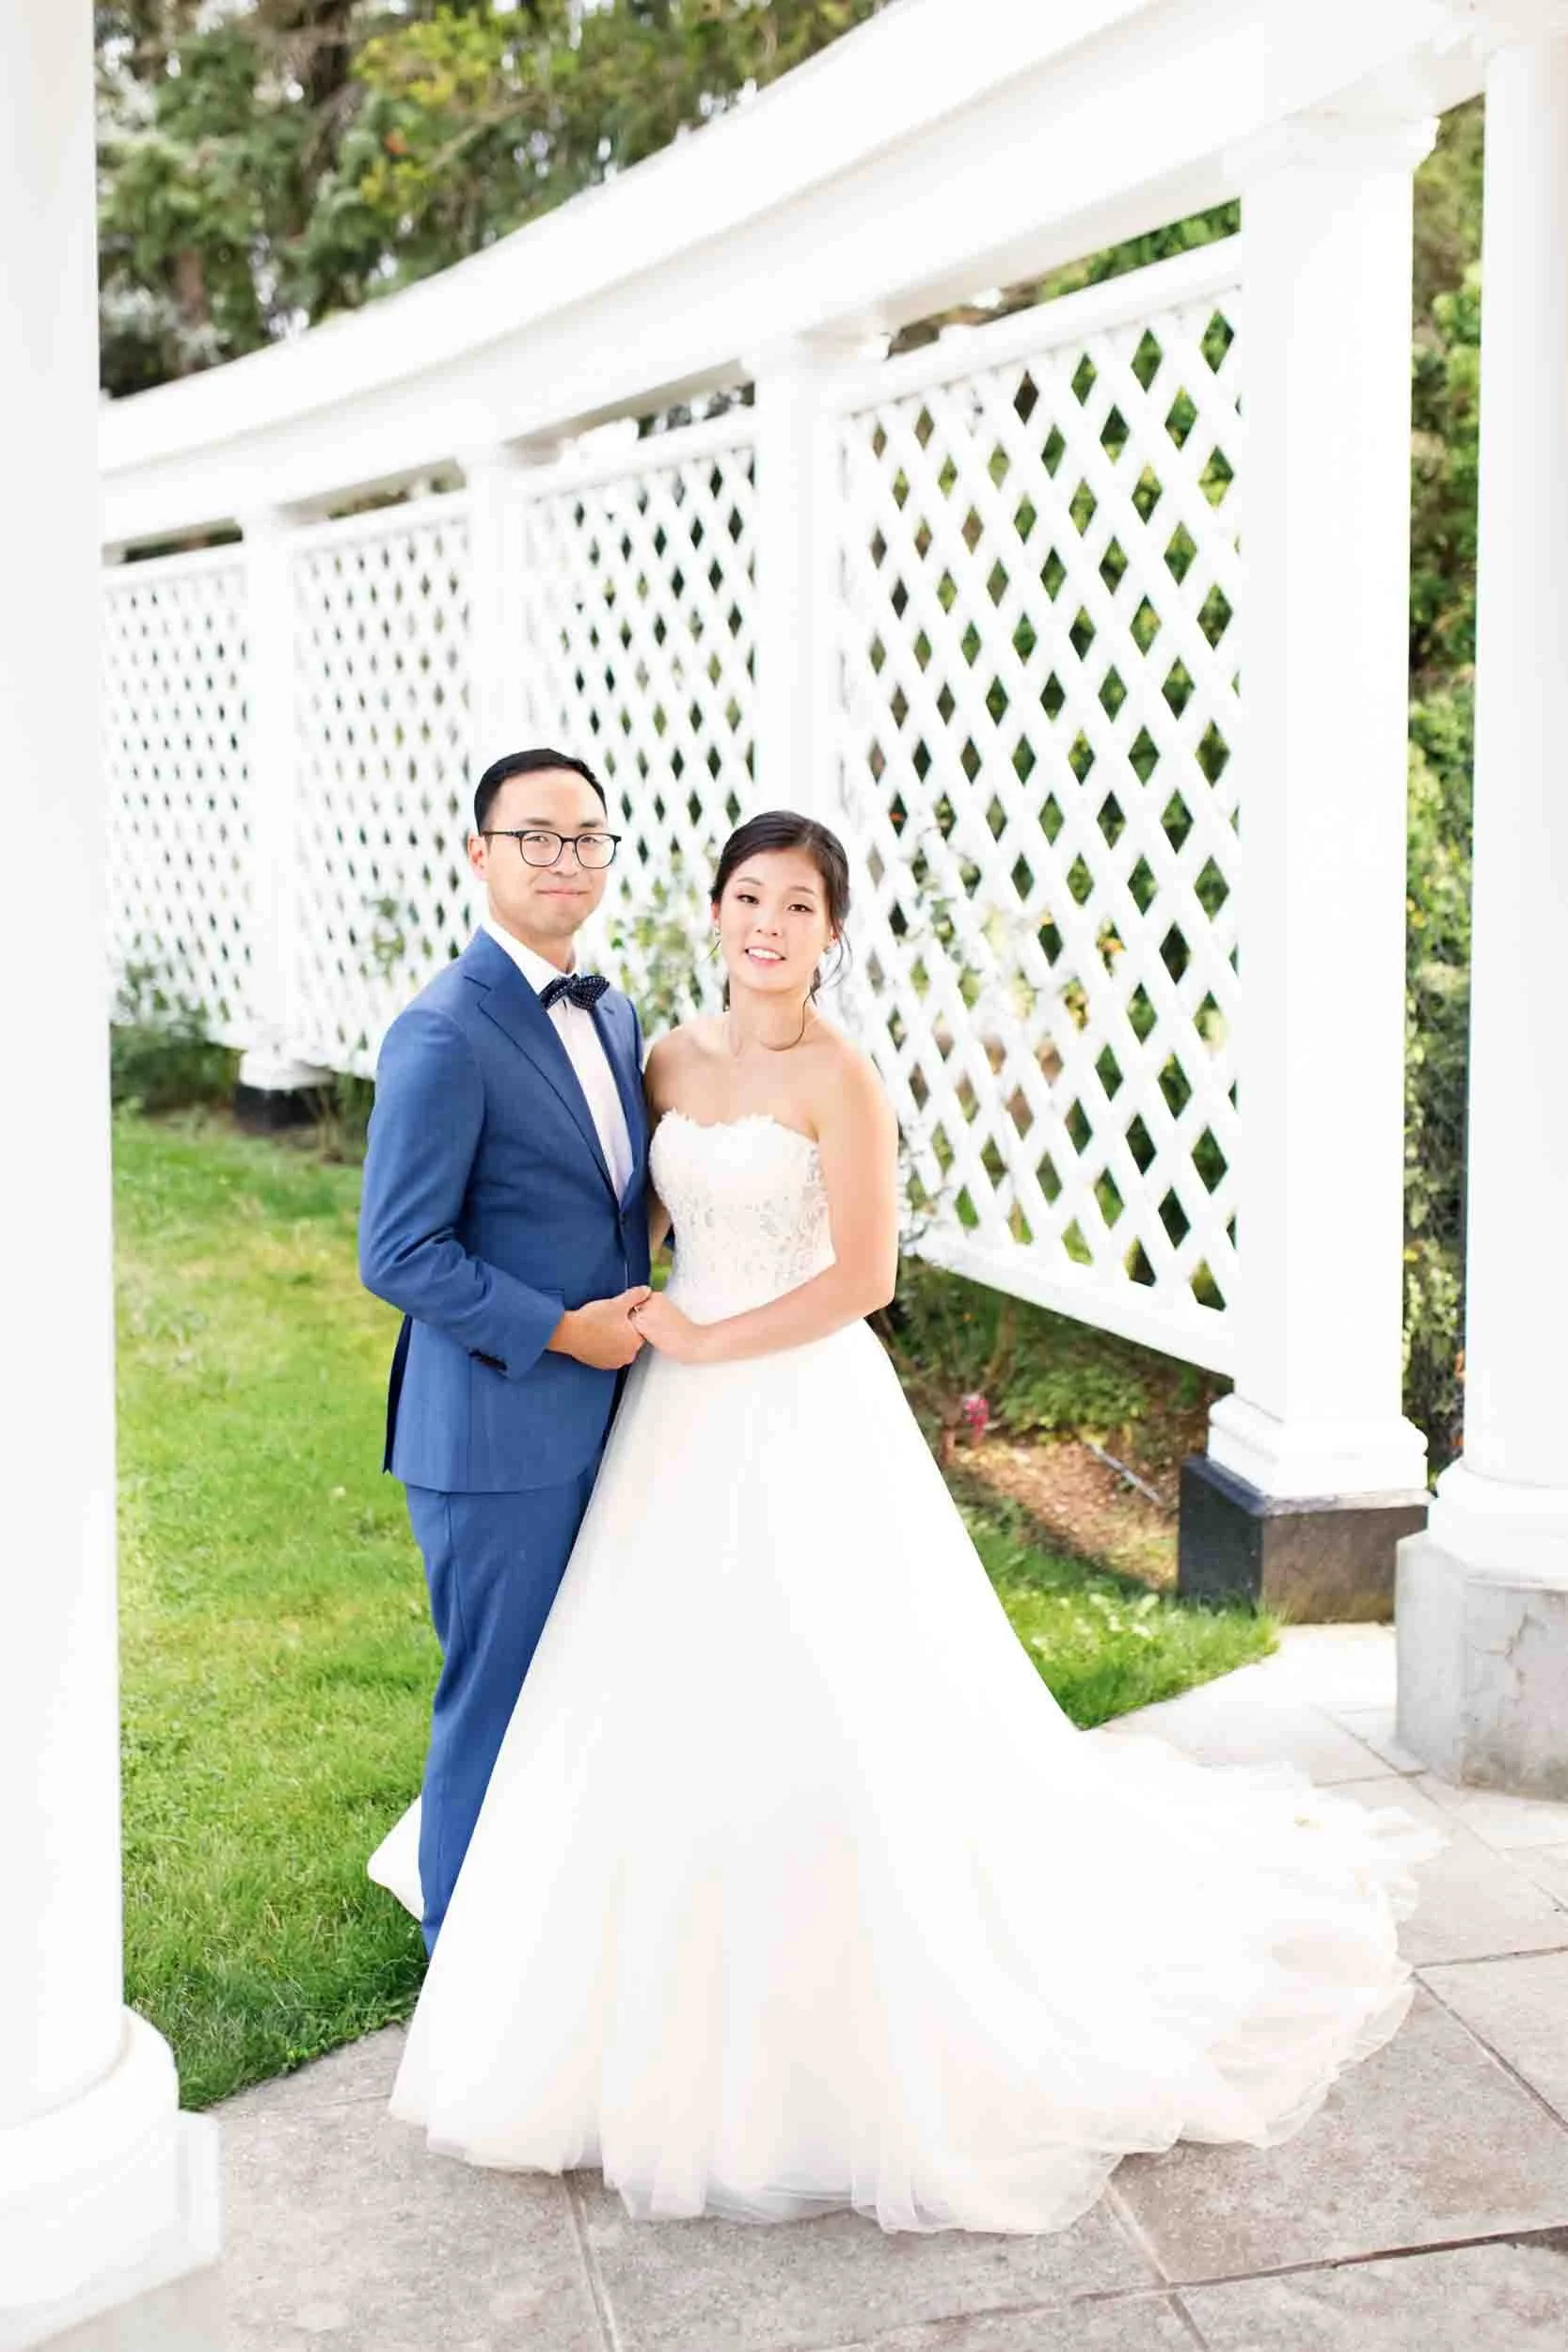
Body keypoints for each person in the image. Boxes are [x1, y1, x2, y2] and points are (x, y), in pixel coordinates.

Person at [371, 808, 1439, 2235]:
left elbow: (861, 1277)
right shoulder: (663, 1054)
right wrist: (632, 1330)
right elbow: (589, 1206)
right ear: (713, 909)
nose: (766, 924)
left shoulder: (841, 1078)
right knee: (645, 1690)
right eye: (746, 896)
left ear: (828, 931)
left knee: (834, 1684)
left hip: (790, 1400)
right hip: (665, 1428)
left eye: (796, 906)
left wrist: (703, 1338)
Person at [358, 748, 651, 1954]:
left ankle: (555, 1951)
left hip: (615, 1419)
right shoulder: (443, 1031)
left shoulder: (615, 1007)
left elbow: (606, 1197)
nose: (563, 859)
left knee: (584, 1693)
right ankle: (463, 1976)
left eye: (586, 837)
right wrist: (558, 1329)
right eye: (534, 835)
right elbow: (400, 1252)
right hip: (492, 1431)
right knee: (494, 1702)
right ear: (479, 854)